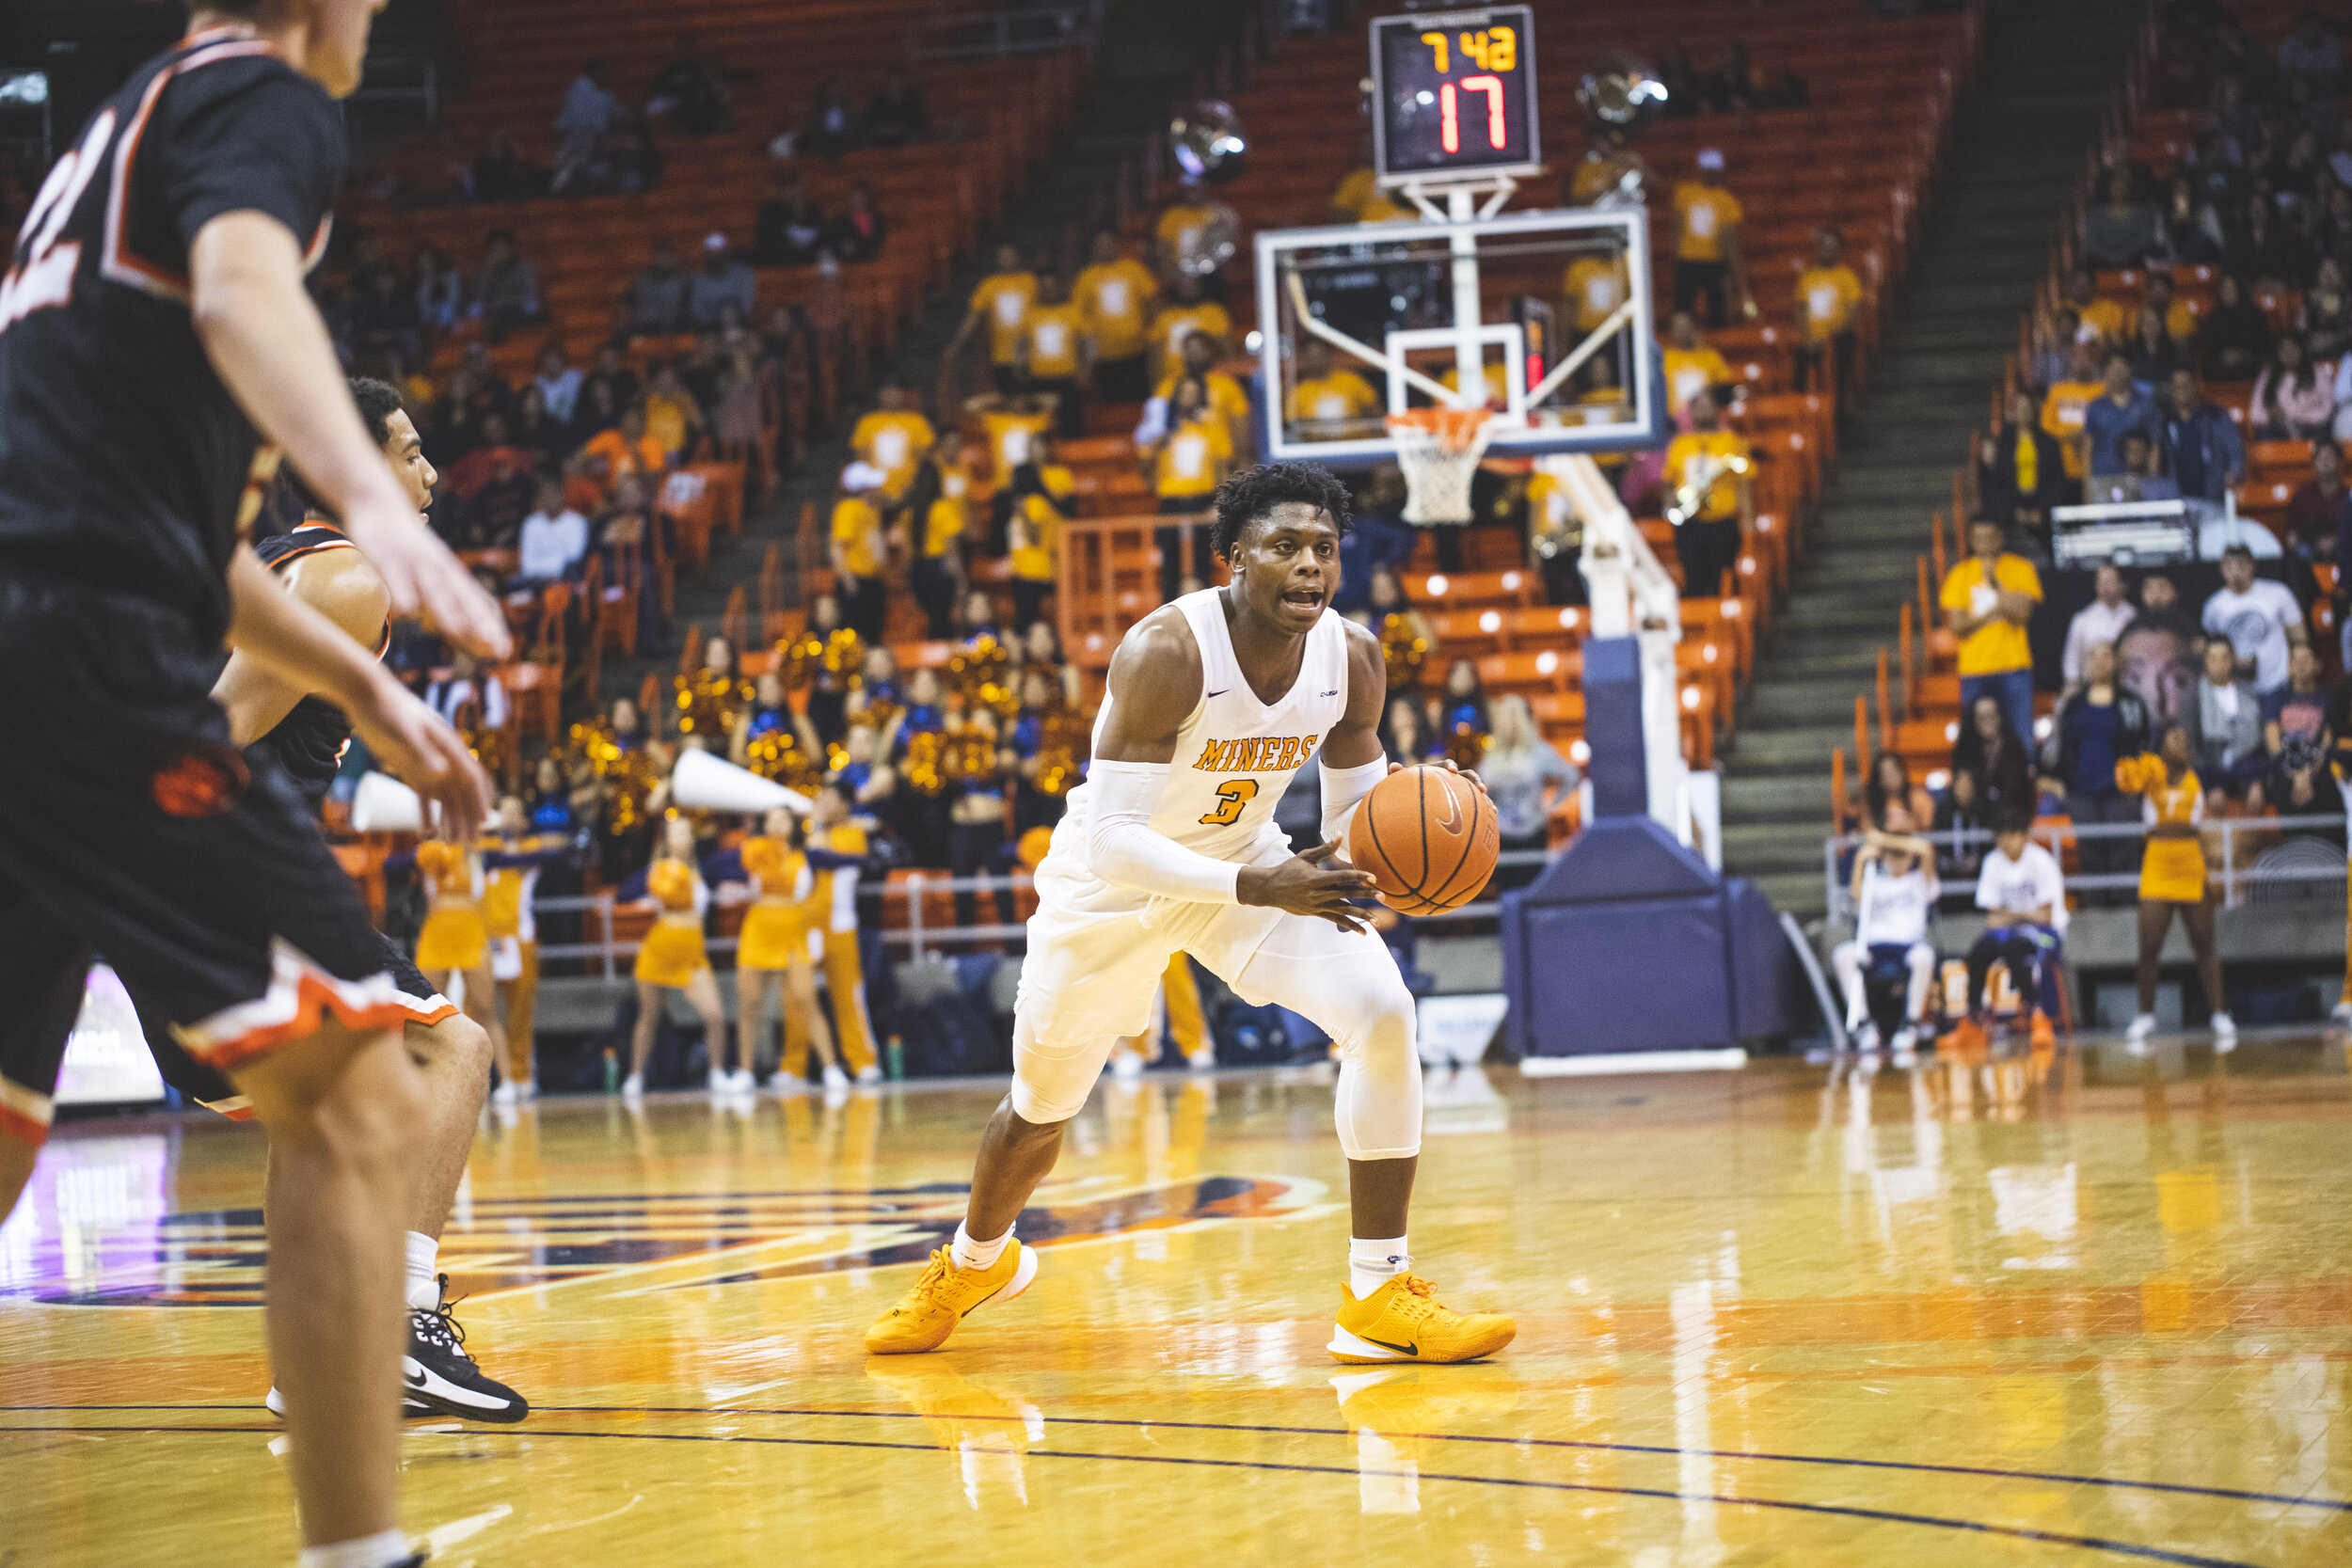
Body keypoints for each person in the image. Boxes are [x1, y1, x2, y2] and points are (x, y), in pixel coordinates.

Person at [0, 8, 512, 1565]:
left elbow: (164, 521)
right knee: (377, 1083)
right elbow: (238, 284)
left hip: (42, 630)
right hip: (79, 657)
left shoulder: (110, 143)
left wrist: (361, 683)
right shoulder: (262, 93)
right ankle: (361, 1549)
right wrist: (371, 502)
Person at [862, 463, 1517, 1365]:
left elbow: (1353, 834)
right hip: (1111, 892)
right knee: (1039, 1110)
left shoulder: (1355, 658)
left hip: (1244, 866)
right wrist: (1263, 885)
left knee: (1382, 1010)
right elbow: (1114, 841)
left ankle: (1378, 1291)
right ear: (1232, 560)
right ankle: (977, 1260)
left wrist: (1435, 806)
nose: (1308, 567)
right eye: (1284, 547)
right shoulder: (1166, 652)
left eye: (1323, 549)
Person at [2119, 729, 2233, 1050]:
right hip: (2157, 860)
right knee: (2149, 945)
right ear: (2161, 745)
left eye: (2186, 739)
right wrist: (2137, 769)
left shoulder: (2200, 775)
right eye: (2174, 738)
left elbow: (2226, 782)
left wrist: (2220, 795)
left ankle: (2219, 1013)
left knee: (2204, 942)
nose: (2182, 743)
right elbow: (2126, 782)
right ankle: (2145, 1015)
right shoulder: (2151, 772)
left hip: (2190, 859)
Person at [727, 807, 848, 1092]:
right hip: (759, 929)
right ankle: (744, 1070)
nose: (776, 823)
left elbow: (836, 864)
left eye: (783, 818)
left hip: (793, 929)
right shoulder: (753, 852)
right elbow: (730, 873)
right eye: (771, 818)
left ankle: (831, 1067)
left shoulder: (805, 855)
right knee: (750, 1002)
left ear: (793, 824)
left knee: (806, 999)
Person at [783, 781, 883, 1085]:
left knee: (849, 995)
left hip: (840, 926)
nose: (822, 803)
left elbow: (819, 853)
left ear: (844, 804)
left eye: (829, 798)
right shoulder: (813, 832)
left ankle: (863, 1060)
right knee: (797, 996)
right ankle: (793, 1066)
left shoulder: (852, 834)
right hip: (807, 924)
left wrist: (813, 822)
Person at [621, 815, 726, 1098]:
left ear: (692, 839)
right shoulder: (660, 869)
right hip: (661, 949)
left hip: (692, 953)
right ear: (667, 840)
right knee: (649, 1016)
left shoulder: (699, 870)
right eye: (675, 833)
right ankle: (635, 1075)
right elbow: (658, 892)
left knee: (714, 1015)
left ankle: (716, 1072)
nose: (681, 838)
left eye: (686, 833)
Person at [2042, 640, 2150, 899]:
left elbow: (2145, 742)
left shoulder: (2132, 702)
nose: (2100, 661)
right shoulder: (2073, 705)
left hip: (2121, 793)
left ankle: (2126, 915)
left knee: (2125, 853)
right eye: (2093, 656)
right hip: (2082, 792)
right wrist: (2058, 782)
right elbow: (2060, 746)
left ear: (2115, 662)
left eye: (2105, 656)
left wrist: (2137, 783)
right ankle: (2094, 917)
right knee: (2089, 856)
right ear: (2086, 664)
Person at [1831, 803, 1939, 1053]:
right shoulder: (1873, 880)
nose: (1897, 860)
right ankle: (1864, 1024)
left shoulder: (1919, 880)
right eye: (1892, 854)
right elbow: (1856, 896)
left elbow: (1923, 848)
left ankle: (1911, 1024)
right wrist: (1861, 858)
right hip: (1875, 945)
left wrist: (1881, 839)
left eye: (1902, 854)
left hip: (1909, 945)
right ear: (1883, 856)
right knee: (1843, 955)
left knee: (1924, 957)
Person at [1955, 816, 2066, 1052]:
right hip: (2008, 931)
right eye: (2001, 836)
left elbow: (2046, 916)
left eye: (2011, 835)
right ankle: (1973, 1018)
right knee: (1979, 951)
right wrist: (2023, 914)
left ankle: (2037, 1014)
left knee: (2014, 949)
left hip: (2048, 934)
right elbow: (1992, 920)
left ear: (2024, 835)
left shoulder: (2041, 861)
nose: (2006, 842)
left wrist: (2011, 914)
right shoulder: (1993, 862)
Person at [1940, 517, 2042, 747]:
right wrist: (1995, 611)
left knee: (2021, 735)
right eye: (1979, 538)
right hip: (1974, 669)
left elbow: (2023, 614)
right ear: (1971, 541)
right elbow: (1957, 626)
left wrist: (1995, 584)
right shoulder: (1959, 574)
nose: (1985, 544)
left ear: (2000, 538)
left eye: (1990, 537)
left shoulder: (2021, 568)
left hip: (2014, 665)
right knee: (1974, 739)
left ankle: (2024, 779)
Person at [1147, 376, 1235, 601]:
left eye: (1194, 393)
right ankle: (1168, 618)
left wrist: (1219, 505)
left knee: (1201, 566)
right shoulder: (1162, 430)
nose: (1189, 398)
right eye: (1184, 392)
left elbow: (1223, 471)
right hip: (1170, 503)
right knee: (1170, 568)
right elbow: (1145, 467)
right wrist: (1158, 438)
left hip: (1201, 501)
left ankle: (1204, 619)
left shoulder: (1211, 428)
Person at [1662, 387, 1752, 600]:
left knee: (1723, 581)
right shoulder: (1679, 444)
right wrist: (1669, 507)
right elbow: (1668, 482)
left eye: (1706, 404)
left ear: (1716, 408)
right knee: (1693, 581)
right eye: (1697, 405)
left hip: (1722, 524)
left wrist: (1748, 519)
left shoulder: (1731, 441)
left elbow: (1744, 483)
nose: (1702, 409)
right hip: (1689, 525)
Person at [1481, 695, 1576, 888]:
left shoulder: (1539, 751)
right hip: (1500, 836)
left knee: (1531, 891)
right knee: (1505, 894)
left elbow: (1571, 776)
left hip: (1531, 831)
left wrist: (1552, 803)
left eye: (1513, 715)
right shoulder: (1491, 754)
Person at [2203, 543, 2306, 694]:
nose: (2236, 571)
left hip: (2278, 682)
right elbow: (2212, 646)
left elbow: (2299, 637)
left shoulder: (2278, 593)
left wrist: (2297, 670)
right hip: (2236, 687)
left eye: (2241, 565)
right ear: (2222, 569)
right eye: (2229, 566)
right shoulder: (2214, 606)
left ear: (2253, 566)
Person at [1075, 230, 1158, 403]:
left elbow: (1151, 301)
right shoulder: (1085, 278)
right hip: (1104, 355)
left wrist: (1149, 334)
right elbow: (1082, 321)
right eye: (1100, 245)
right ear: (1094, 249)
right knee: (1112, 406)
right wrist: (1090, 357)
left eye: (1108, 243)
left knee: (1140, 401)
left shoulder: (1134, 269)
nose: (1105, 248)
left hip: (1137, 350)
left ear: (1115, 245)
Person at [1670, 148, 1749, 326]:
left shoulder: (1727, 200)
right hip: (1687, 259)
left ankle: (1716, 342)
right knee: (1683, 309)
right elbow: (1678, 226)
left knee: (1717, 311)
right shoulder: (1685, 192)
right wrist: (1676, 254)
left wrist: (1729, 264)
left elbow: (1728, 238)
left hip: (1714, 261)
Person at [1979, 390, 2068, 547]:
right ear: (2013, 412)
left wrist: (2041, 510)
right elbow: (1997, 483)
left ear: (2034, 410)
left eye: (2027, 408)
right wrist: (2014, 511)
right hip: (2012, 511)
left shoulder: (2050, 443)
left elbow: (2058, 481)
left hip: (2043, 511)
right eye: (2020, 408)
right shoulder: (2003, 445)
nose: (2024, 412)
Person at [2192, 637, 2269, 803]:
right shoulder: (2194, 696)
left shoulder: (2249, 694)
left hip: (2246, 768)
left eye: (2224, 658)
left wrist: (2257, 782)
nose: (2219, 664)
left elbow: (2261, 745)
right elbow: (2191, 747)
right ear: (2205, 661)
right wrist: (2209, 786)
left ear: (2233, 659)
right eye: (2213, 658)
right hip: (2209, 771)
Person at [1792, 226, 1864, 399]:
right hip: (1812, 340)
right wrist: (1807, 339)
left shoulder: (1847, 276)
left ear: (1838, 250)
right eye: (1824, 246)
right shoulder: (1807, 277)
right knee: (1800, 356)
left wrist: (1829, 338)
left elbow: (1852, 314)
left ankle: (1838, 411)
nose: (1827, 251)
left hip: (1837, 338)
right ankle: (1804, 407)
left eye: (1832, 247)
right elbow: (1800, 312)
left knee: (1842, 347)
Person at [1019, 268, 1089, 438]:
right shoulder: (1030, 315)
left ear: (1059, 288)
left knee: (1072, 426)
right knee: (1043, 429)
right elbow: (1021, 346)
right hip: (1039, 381)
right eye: (1044, 288)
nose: (1048, 291)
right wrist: (1019, 367)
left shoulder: (1073, 312)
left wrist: (1087, 371)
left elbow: (1088, 344)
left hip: (1068, 379)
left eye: (1052, 287)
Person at [2159, 368, 2247, 505]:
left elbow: (2234, 449)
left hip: (2212, 498)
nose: (2181, 390)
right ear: (2171, 390)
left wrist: (2234, 472)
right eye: (2177, 386)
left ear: (2194, 386)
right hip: (2178, 501)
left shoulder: (2216, 416)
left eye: (2185, 385)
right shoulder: (2165, 422)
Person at [960, 243, 1038, 394]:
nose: (1007, 259)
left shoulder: (1031, 281)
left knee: (1029, 399)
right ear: (997, 260)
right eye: (1003, 257)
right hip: (1001, 355)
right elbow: (974, 316)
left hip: (1030, 354)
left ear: (1018, 258)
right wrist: (959, 342)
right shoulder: (989, 285)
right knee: (1007, 397)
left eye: (1010, 255)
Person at [831, 463, 890, 644]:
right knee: (855, 637)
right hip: (857, 581)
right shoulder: (849, 508)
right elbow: (838, 547)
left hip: (873, 580)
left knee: (873, 635)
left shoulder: (871, 511)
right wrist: (848, 579)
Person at [1953, 692, 2035, 824]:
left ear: (1999, 717)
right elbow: (1962, 789)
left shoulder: (2014, 747)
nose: (1987, 722)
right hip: (1976, 821)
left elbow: (2017, 792)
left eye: (1990, 715)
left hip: (2011, 821)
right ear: (1973, 720)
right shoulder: (1966, 749)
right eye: (1981, 717)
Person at [2082, 352, 2162, 478]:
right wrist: (2086, 487)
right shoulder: (2095, 406)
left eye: (2121, 368)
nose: (2117, 373)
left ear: (2130, 370)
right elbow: (2087, 449)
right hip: (2103, 477)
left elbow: (2154, 445)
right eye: (2112, 368)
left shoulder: (2145, 404)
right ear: (2106, 372)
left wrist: (2152, 478)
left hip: (2138, 478)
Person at [2039, 341, 2106, 487]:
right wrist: (2069, 435)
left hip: (2097, 468)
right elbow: (2045, 426)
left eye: (2086, 357)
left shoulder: (2103, 390)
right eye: (2077, 358)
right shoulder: (2057, 390)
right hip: (2061, 470)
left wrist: (2085, 434)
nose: (2081, 362)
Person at [2249, 335, 2336, 439]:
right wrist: (2270, 415)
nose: (2288, 353)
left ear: (2301, 350)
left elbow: (2328, 409)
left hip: (2310, 427)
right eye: (2284, 349)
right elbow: (2255, 414)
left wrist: (2297, 417)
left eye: (2293, 348)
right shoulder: (2267, 377)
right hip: (2278, 428)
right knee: (2265, 433)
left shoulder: (2317, 374)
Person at [2063, 565, 2138, 685]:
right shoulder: (2082, 619)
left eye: (2109, 581)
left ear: (2123, 585)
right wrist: (2072, 687)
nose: (2104, 587)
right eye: (2100, 581)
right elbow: (2071, 660)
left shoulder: (2135, 618)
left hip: (2127, 687)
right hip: (2090, 688)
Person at [516, 474, 590, 584]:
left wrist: (542, 568)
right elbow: (527, 565)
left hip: (567, 583)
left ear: (562, 494)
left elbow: (574, 561)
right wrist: (553, 568)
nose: (549, 498)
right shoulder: (530, 523)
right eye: (544, 494)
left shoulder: (577, 521)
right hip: (535, 583)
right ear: (539, 497)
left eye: (552, 493)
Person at [1661, 310, 1733, 420]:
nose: (1682, 331)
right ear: (1671, 331)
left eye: (1685, 326)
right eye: (1678, 327)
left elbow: (1725, 390)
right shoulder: (1664, 358)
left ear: (1693, 328)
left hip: (1707, 419)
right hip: (1674, 421)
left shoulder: (1711, 356)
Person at [2286, 439, 2352, 559]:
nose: (2325, 461)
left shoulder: (2348, 496)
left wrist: (2335, 541)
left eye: (2329, 456)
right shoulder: (2302, 495)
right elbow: (2292, 533)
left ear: (2339, 461)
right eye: (2320, 457)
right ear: (2314, 462)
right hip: (2309, 549)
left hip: (2342, 550)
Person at [688, 231, 755, 332]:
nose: (715, 257)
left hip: (740, 327)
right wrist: (717, 321)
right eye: (711, 254)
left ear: (727, 253)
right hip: (711, 330)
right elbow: (698, 312)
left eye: (718, 253)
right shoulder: (699, 280)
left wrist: (730, 318)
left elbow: (747, 306)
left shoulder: (744, 273)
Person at [626, 239, 691, 338]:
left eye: (667, 257)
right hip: (647, 327)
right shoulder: (641, 282)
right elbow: (628, 306)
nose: (663, 261)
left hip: (676, 326)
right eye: (660, 256)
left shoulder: (684, 282)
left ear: (674, 258)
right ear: (653, 258)